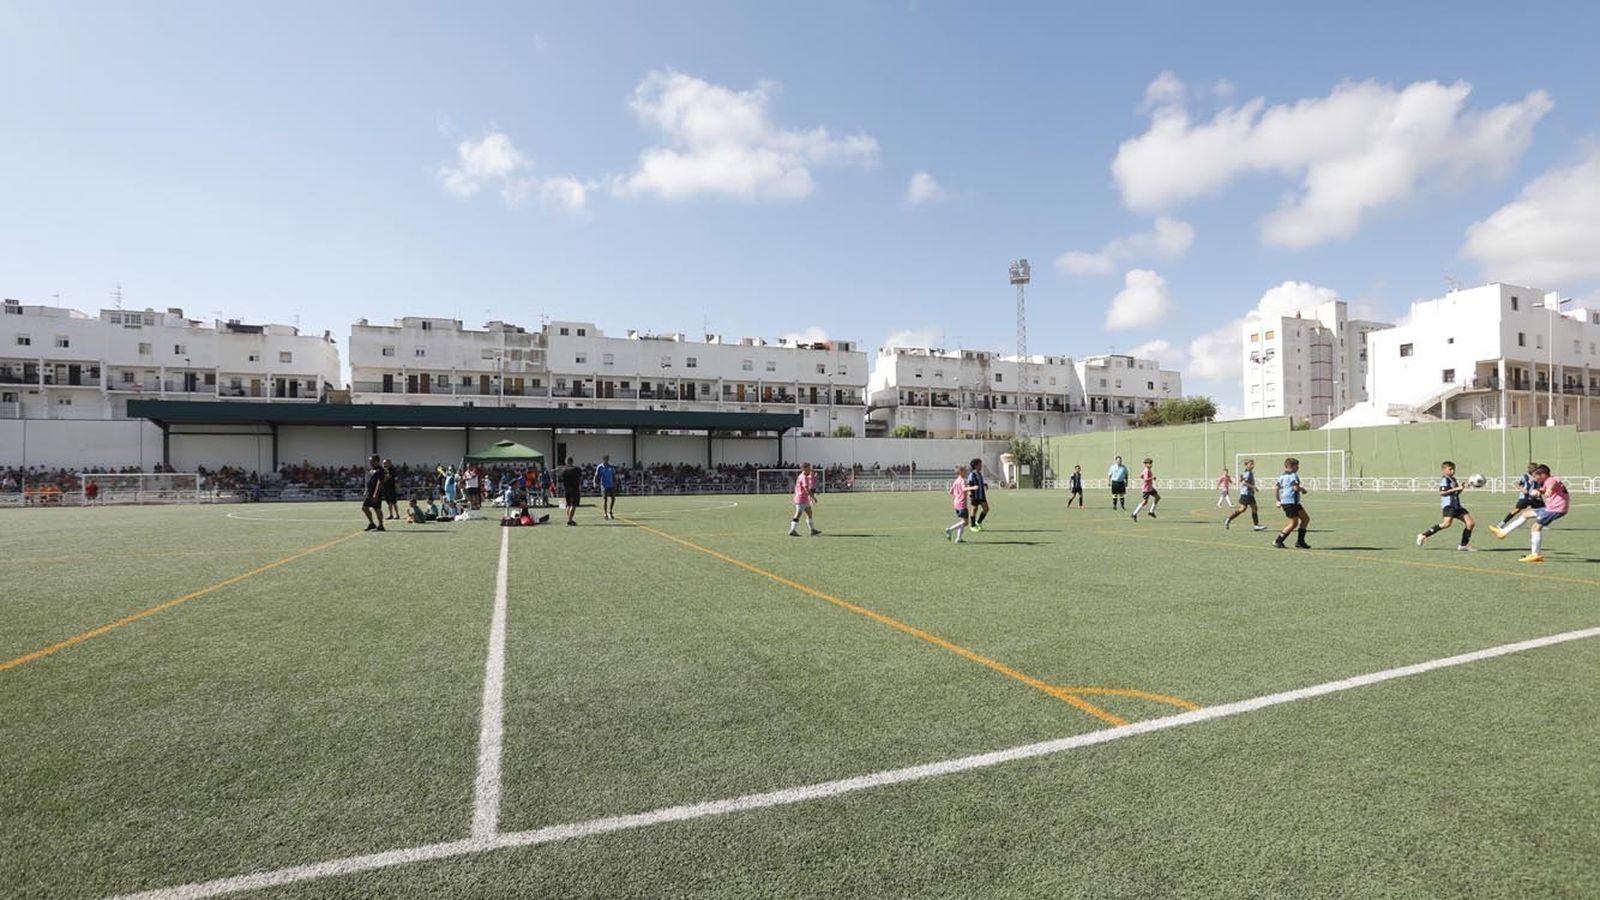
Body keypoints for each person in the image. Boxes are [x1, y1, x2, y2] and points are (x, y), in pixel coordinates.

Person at [1490, 463, 1568, 562]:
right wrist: (1539, 491)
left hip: (1555, 509)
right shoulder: (1552, 479)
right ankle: (1503, 532)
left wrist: (1548, 491)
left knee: (1535, 528)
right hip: (1553, 508)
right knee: (1525, 514)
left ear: (1543, 475)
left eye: (1536, 476)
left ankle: (1535, 555)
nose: (1535, 478)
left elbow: (1550, 486)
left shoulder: (1550, 481)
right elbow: (1547, 488)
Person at [1416, 461, 1475, 551]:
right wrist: (1457, 488)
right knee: (1446, 524)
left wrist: (1462, 487)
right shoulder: (1445, 480)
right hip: (1449, 506)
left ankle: (1464, 545)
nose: (1452, 471)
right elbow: (1442, 492)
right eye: (1450, 469)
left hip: (1457, 506)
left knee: (1470, 523)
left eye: (1454, 469)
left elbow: (1456, 492)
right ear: (1444, 470)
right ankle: (1423, 535)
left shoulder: (1453, 479)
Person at [1273, 457, 1311, 549]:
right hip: (1291, 502)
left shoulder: (1282, 476)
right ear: (1292, 466)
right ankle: (1278, 540)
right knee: (1293, 523)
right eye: (1297, 466)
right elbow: (1295, 488)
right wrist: (1303, 490)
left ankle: (1300, 542)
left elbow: (1276, 488)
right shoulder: (1294, 475)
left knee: (1305, 519)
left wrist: (1278, 500)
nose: (1298, 467)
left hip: (1288, 502)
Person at [1225, 458, 1266, 531]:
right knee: (1243, 509)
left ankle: (1256, 525)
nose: (1253, 465)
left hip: (1249, 494)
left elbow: (1242, 480)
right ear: (1247, 465)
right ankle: (1229, 519)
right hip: (1246, 494)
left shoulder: (1248, 472)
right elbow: (1244, 482)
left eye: (1253, 464)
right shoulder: (1247, 473)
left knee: (1253, 508)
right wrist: (1253, 487)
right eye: (1251, 464)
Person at [788, 461, 820, 536]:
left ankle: (812, 530)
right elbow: (806, 489)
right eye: (808, 468)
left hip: (804, 498)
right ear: (804, 469)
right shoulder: (803, 477)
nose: (810, 470)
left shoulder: (803, 476)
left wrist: (813, 476)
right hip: (801, 498)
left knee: (809, 513)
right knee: (798, 514)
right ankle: (792, 530)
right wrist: (813, 497)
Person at [945, 464, 975, 542]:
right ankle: (950, 530)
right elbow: (964, 489)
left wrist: (957, 495)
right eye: (965, 470)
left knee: (962, 521)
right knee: (965, 522)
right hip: (962, 503)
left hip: (956, 503)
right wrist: (973, 487)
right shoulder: (962, 480)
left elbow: (950, 491)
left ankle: (959, 538)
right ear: (961, 472)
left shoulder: (956, 480)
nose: (966, 472)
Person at [361, 454, 386, 532]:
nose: (370, 462)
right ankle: (372, 524)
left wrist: (376, 493)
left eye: (371, 461)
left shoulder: (380, 470)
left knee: (377, 508)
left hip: (376, 492)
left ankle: (381, 526)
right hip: (370, 492)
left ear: (376, 461)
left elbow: (379, 482)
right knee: (365, 508)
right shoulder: (372, 470)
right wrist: (366, 490)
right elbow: (369, 481)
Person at [558, 457, 583, 526]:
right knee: (573, 505)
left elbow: (560, 477)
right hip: (574, 489)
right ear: (572, 461)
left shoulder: (563, 470)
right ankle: (570, 520)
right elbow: (580, 478)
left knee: (568, 505)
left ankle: (570, 519)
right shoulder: (577, 469)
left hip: (566, 489)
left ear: (566, 462)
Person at [967, 458, 990, 531]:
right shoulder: (972, 474)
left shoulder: (979, 474)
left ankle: (978, 522)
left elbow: (979, 483)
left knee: (986, 509)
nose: (981, 466)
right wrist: (970, 492)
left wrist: (984, 484)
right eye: (980, 464)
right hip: (975, 495)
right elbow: (969, 484)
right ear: (976, 465)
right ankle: (972, 526)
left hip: (981, 495)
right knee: (974, 509)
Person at [594, 454, 619, 520]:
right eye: (605, 459)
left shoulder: (611, 467)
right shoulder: (600, 467)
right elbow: (596, 475)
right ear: (603, 459)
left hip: (611, 485)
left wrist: (615, 483)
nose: (607, 460)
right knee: (605, 499)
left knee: (613, 499)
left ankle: (610, 511)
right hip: (604, 485)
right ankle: (605, 513)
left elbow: (614, 475)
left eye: (608, 459)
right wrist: (595, 483)